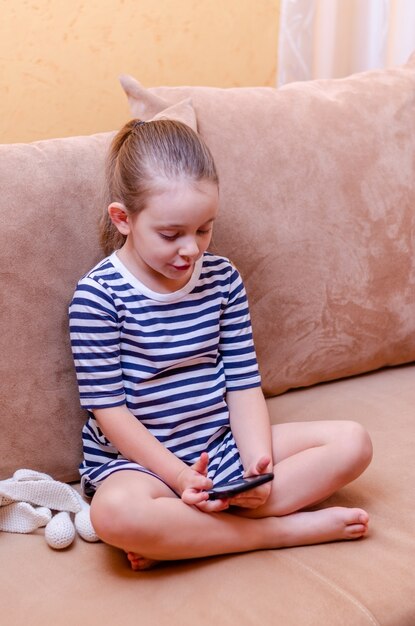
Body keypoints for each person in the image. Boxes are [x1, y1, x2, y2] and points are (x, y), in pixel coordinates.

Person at [69, 118, 373, 571]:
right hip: (141, 465)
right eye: (171, 235)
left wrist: (256, 465)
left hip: (221, 445)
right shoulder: (97, 297)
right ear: (123, 219)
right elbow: (109, 412)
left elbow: (243, 383)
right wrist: (178, 476)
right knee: (114, 514)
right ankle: (280, 531)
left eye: (204, 230)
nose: (190, 250)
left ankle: (183, 536)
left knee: (354, 442)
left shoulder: (222, 278)